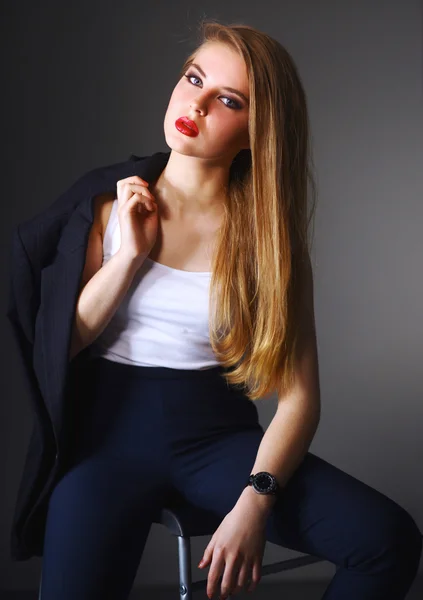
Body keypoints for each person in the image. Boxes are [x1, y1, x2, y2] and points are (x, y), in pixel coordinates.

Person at [32, 19, 421, 600]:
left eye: (228, 100)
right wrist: (128, 258)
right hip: (104, 441)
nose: (197, 103)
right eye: (194, 78)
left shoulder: (269, 243)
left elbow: (299, 398)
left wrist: (255, 503)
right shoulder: (106, 204)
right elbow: (58, 347)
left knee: (387, 540)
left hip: (215, 441)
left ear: (255, 131)